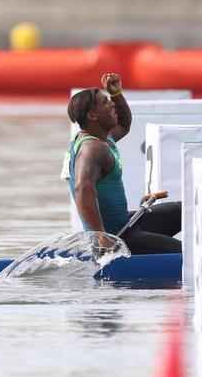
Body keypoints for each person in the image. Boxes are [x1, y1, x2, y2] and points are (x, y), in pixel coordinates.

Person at [66, 74, 181, 254]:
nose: (112, 104)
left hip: (126, 223)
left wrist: (116, 94)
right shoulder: (92, 149)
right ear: (92, 115)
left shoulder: (103, 137)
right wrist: (101, 237)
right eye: (105, 102)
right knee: (187, 254)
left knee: (186, 211)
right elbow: (82, 189)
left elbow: (124, 123)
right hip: (116, 239)